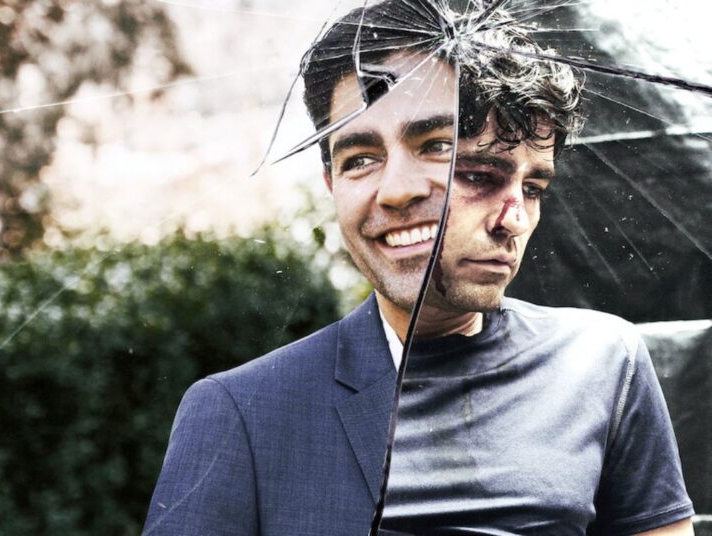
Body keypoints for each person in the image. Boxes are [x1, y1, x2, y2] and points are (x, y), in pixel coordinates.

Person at [143, 2, 695, 535]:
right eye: (360, 159)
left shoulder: (604, 364)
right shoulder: (241, 412)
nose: (395, 191)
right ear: (331, 184)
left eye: (531, 187)